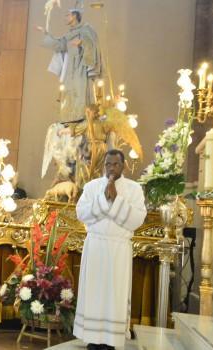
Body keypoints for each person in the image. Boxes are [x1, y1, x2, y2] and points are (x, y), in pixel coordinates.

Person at [73, 149, 146, 350]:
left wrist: (116, 200)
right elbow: (81, 213)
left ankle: (110, 341)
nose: (111, 168)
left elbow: (137, 220)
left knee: (115, 294)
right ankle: (93, 339)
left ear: (123, 166)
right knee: (94, 293)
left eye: (115, 164)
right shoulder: (92, 187)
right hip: (96, 245)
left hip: (118, 249)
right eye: (108, 164)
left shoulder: (134, 189)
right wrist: (104, 199)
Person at [37, 7, 102, 121]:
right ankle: (69, 122)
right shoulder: (69, 34)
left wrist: (82, 42)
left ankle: (81, 121)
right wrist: (45, 33)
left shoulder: (86, 30)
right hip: (69, 70)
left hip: (80, 68)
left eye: (67, 15)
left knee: (80, 94)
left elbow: (93, 46)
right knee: (68, 95)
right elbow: (59, 45)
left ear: (75, 16)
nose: (65, 17)